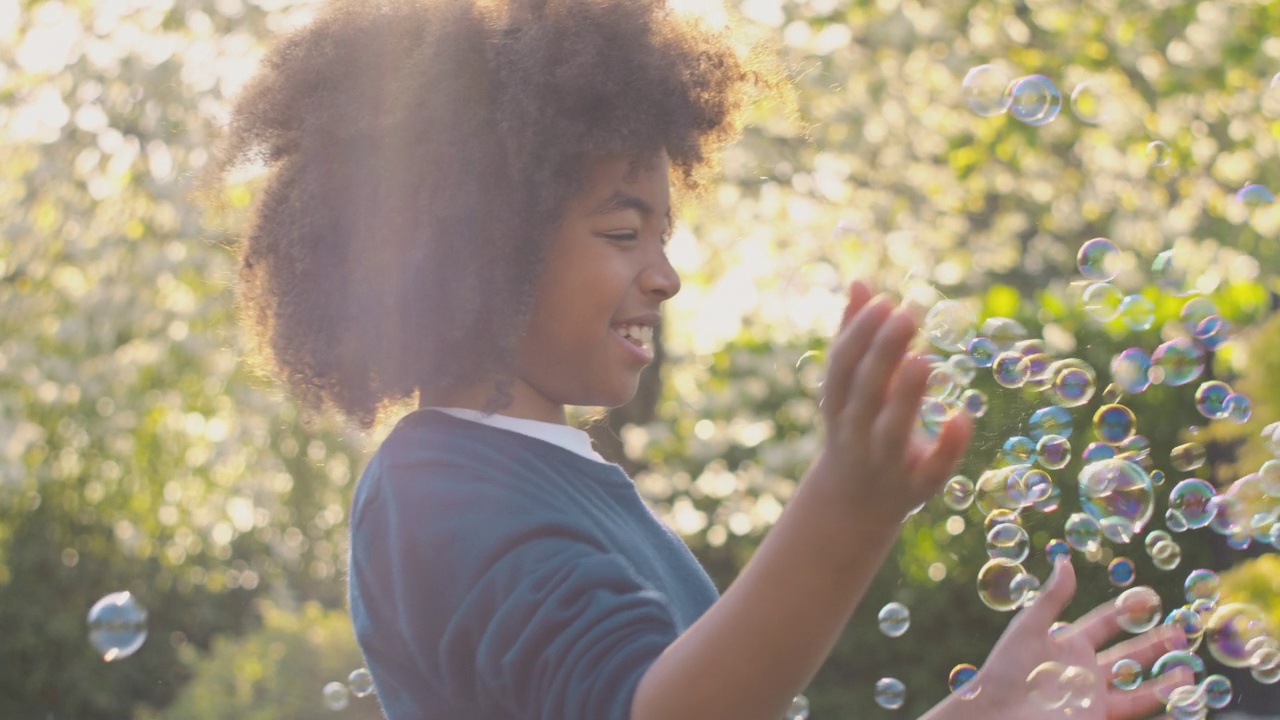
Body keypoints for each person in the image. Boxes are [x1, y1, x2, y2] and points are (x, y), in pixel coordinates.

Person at [206, 0, 1192, 717]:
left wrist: (972, 717)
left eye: (662, 236)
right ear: (482, 245)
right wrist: (847, 505)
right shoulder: (435, 483)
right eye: (623, 233)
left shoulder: (557, 480)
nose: (664, 277)